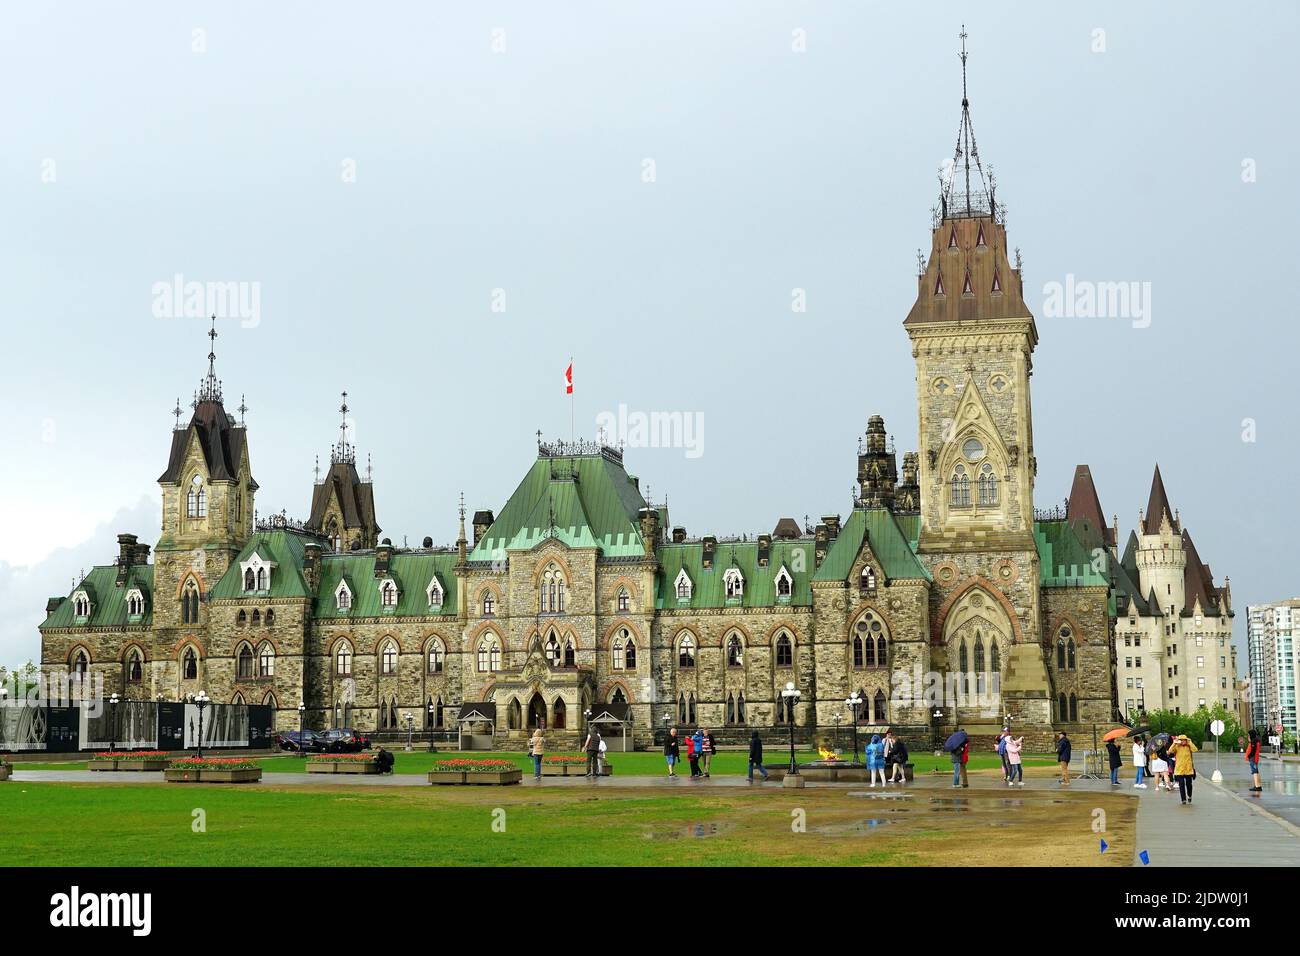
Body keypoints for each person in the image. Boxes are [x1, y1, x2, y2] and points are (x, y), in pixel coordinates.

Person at [1169, 734, 1198, 805]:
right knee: (1181, 785)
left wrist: (1190, 742)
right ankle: (1183, 799)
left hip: (1188, 769)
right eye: (1180, 740)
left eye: (1183, 740)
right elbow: (1170, 751)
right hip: (1179, 769)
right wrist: (1174, 743)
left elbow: (1195, 750)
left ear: (1186, 740)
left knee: (1189, 784)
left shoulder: (1189, 746)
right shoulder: (1177, 746)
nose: (1182, 741)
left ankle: (1189, 795)